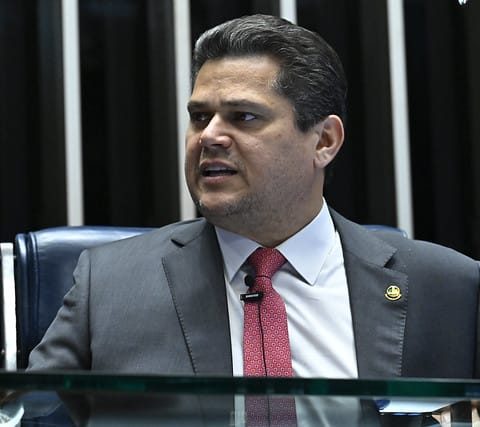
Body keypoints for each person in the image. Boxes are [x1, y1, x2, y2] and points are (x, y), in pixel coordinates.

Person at [28, 14, 480, 379]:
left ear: (324, 141)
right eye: (199, 117)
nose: (209, 136)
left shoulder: (449, 288)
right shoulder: (110, 284)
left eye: (243, 117)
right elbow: (27, 414)